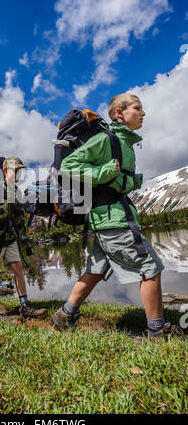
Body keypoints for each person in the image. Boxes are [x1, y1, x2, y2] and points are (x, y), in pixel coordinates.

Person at [50, 93, 170, 339]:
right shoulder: (107, 139)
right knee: (150, 267)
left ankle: (63, 316)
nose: (143, 113)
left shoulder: (124, 144)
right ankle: (157, 332)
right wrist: (104, 172)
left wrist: (128, 181)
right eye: (138, 108)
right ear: (119, 113)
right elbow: (69, 166)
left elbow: (112, 181)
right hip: (112, 220)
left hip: (109, 218)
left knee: (95, 270)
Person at [0, 157, 47, 319]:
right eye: (16, 170)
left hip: (9, 237)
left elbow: (19, 218)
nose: (19, 173)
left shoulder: (17, 192)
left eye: (20, 170)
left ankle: (25, 306)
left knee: (18, 267)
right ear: (6, 171)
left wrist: (24, 240)